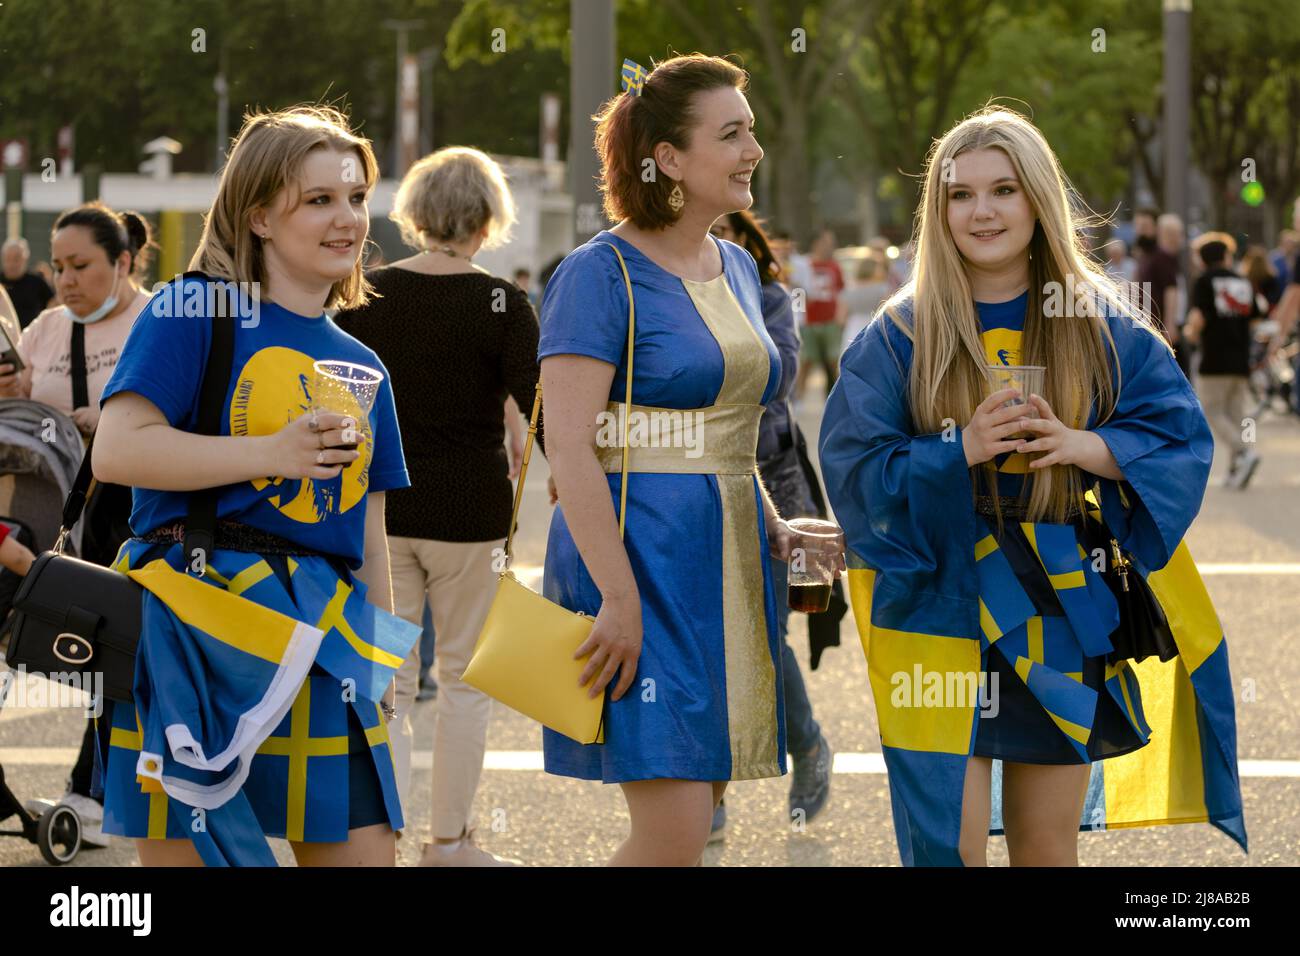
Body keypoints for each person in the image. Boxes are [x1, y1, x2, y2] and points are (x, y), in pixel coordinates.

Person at [820, 107, 1245, 866]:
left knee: (1047, 850)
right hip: (936, 604)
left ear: (1038, 200)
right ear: (937, 209)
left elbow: (1180, 438)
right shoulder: (900, 333)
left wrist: (1088, 446)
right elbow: (853, 473)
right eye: (960, 194)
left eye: (1004, 190)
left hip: (1062, 604)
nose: (981, 211)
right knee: (945, 847)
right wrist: (957, 450)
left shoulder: (1098, 324)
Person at [92, 105, 417, 866]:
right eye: (320, 200)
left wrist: (381, 663)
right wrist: (268, 451)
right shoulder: (192, 306)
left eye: (357, 198)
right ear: (261, 215)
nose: (349, 220)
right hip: (199, 615)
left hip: (326, 637)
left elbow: (368, 529)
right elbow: (118, 450)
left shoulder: (365, 365)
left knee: (370, 853)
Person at [538, 53, 818, 866]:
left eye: (752, 131)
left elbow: (729, 426)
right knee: (675, 833)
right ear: (666, 158)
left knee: (702, 809)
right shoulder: (599, 272)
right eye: (731, 134)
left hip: (730, 560)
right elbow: (573, 449)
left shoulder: (733, 261)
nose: (752, 150)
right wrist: (618, 601)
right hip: (640, 562)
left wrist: (779, 528)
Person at [337, 145, 539, 866]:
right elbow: (538, 404)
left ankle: (378, 838)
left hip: (381, 511)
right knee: (461, 682)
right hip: (470, 511)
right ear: (487, 219)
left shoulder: (367, 296)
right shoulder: (503, 303)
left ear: (415, 214)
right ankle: (449, 841)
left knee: (387, 680)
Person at [0, 202, 155, 848]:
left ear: (122, 262)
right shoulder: (44, 328)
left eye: (81, 266)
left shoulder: (158, 321)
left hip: (134, 512)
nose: (65, 280)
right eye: (59, 267)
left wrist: (111, 420)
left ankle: (89, 795)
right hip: (53, 517)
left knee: (112, 653)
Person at [710, 209, 835, 835]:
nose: (713, 244)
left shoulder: (769, 297)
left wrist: (728, 314)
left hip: (775, 486)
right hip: (699, 484)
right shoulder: (661, 289)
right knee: (703, 639)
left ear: (744, 242)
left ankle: (808, 744)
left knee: (762, 636)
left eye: (725, 235)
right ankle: (709, 794)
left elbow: (780, 376)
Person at [1184, 234, 1265, 488]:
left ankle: (1244, 452)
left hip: (1214, 356)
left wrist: (1190, 334)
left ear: (1203, 258)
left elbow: (1199, 318)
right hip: (1240, 357)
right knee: (1238, 414)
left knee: (1212, 410)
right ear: (1226, 256)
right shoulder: (1242, 281)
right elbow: (1255, 318)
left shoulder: (1205, 281)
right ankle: (1236, 470)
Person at [795, 228, 845, 398]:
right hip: (808, 321)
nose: (831, 246)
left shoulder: (834, 266)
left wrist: (840, 315)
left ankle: (840, 398)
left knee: (834, 360)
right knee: (806, 361)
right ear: (816, 243)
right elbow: (797, 290)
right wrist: (798, 316)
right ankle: (797, 401)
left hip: (830, 320)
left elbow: (840, 292)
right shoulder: (804, 265)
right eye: (827, 242)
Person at [1138, 213, 1189, 376]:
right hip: (1158, 326)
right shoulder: (1161, 258)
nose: (1175, 239)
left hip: (1157, 325)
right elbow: (1171, 291)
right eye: (1170, 234)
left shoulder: (1158, 258)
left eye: (1177, 234)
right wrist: (1169, 325)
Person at [1, 238, 55, 329]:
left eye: (16, 259)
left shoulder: (36, 281)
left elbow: (53, 304)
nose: (12, 264)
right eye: (8, 259)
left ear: (25, 259)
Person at [840, 254, 891, 349]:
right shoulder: (882, 288)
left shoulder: (848, 290)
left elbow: (841, 318)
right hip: (875, 329)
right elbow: (887, 315)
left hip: (852, 330)